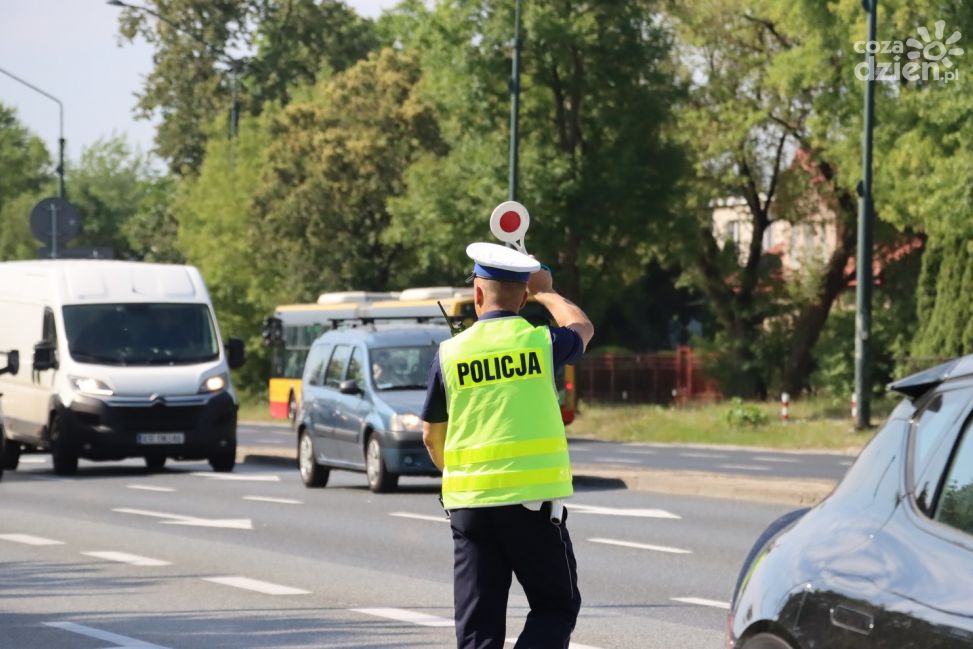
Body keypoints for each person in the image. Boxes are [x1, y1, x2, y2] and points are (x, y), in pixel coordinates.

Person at [421, 241, 595, 649]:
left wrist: (460, 476)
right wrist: (547, 292)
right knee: (555, 607)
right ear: (522, 297)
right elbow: (583, 328)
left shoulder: (449, 353)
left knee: (478, 629)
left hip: (469, 507)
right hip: (530, 506)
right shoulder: (540, 343)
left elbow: (430, 434)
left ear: (477, 294)